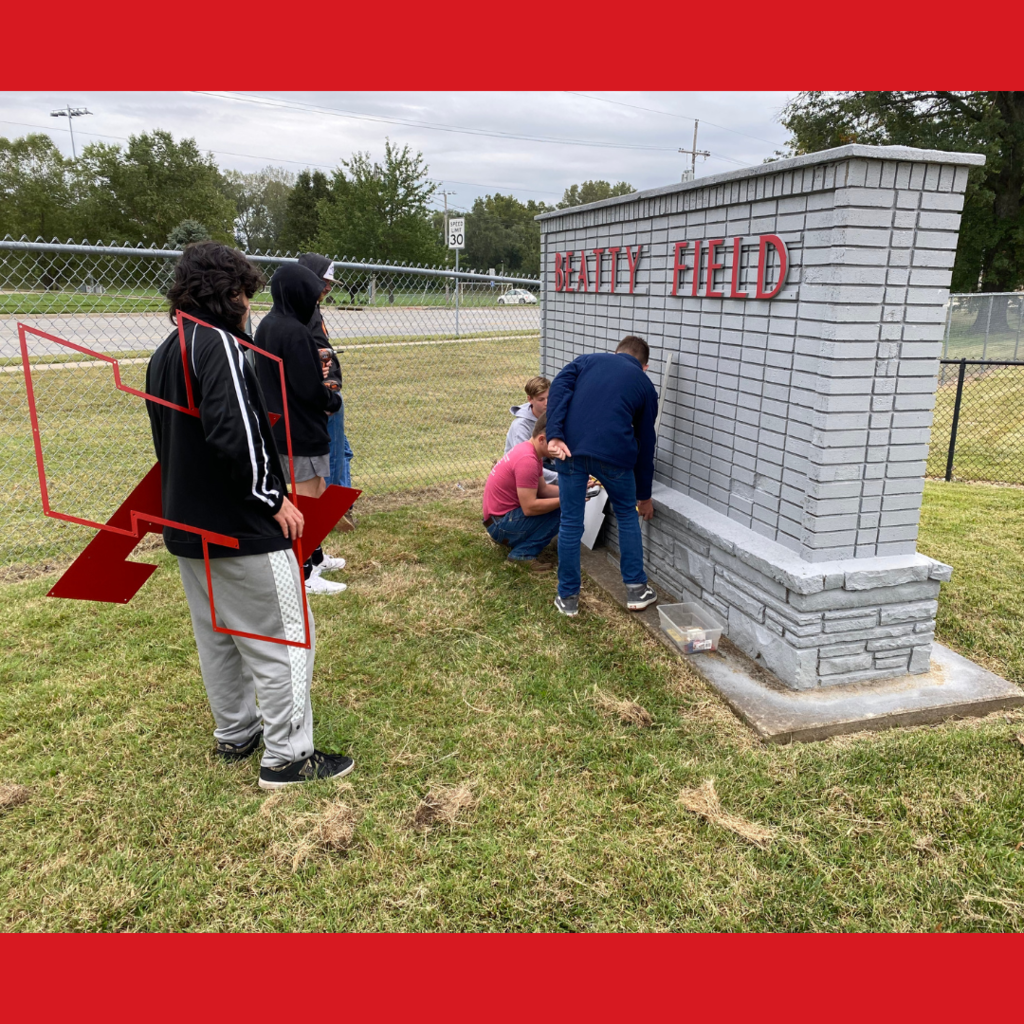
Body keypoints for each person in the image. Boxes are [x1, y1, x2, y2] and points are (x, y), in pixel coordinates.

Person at [145, 241, 354, 789]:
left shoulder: (169, 348)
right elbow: (233, 432)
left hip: (189, 527)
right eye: (245, 293)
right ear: (231, 293)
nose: (249, 306)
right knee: (286, 636)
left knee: (220, 636)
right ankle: (288, 757)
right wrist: (273, 496)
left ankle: (235, 733)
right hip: (242, 529)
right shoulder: (221, 346)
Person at [545, 335, 659, 617]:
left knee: (571, 522)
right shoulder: (645, 385)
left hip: (571, 450)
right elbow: (646, 444)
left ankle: (568, 598)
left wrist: (555, 434)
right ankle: (636, 590)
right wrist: (643, 496)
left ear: (616, 353)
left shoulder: (588, 361)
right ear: (644, 366)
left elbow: (559, 385)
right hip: (616, 459)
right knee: (627, 515)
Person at [254, 263, 347, 595]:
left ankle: (316, 557)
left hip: (284, 424)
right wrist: (331, 401)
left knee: (317, 490)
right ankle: (304, 573)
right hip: (301, 428)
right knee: (307, 501)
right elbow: (308, 387)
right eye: (310, 294)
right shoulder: (293, 332)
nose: (315, 299)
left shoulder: (268, 324)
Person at [296, 253, 354, 493]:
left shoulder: (312, 309)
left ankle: (342, 504)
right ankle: (333, 506)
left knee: (343, 452)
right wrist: (326, 387)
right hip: (322, 397)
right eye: (324, 281)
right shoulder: (303, 313)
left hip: (328, 393)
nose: (328, 287)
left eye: (330, 283)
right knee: (332, 456)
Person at [482, 413, 561, 572]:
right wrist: (568, 499)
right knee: (562, 510)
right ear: (541, 439)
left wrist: (572, 489)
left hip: (497, 518)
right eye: (557, 443)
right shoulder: (527, 460)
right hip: (500, 524)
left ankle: (520, 541)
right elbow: (530, 507)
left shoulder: (530, 451)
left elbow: (543, 490)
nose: (560, 448)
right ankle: (522, 554)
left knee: (560, 504)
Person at [505, 376, 558, 486]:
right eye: (541, 399)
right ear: (530, 399)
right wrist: (562, 479)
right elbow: (525, 466)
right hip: (523, 474)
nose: (547, 403)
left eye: (549, 397)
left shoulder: (553, 415)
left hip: (545, 465)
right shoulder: (520, 426)